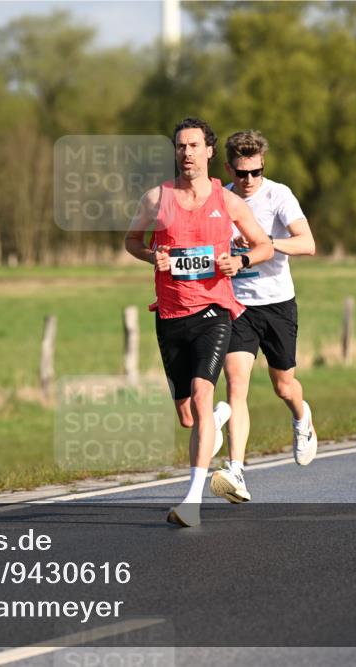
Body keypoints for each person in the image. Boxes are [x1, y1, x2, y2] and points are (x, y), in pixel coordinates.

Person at [125, 118, 273, 527]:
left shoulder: (228, 203)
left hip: (214, 311)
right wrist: (149, 255)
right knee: (188, 415)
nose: (186, 153)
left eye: (193, 146)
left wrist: (238, 260)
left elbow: (263, 245)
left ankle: (191, 501)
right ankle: (217, 421)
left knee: (202, 395)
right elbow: (132, 240)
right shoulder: (156, 199)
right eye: (180, 147)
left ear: (209, 152)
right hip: (171, 314)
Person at [209, 130, 317, 505]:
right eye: (242, 173)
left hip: (277, 304)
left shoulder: (278, 195)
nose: (250, 180)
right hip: (237, 305)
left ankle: (302, 418)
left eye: (256, 171)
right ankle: (235, 470)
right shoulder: (220, 200)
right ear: (229, 169)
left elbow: (308, 243)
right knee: (236, 385)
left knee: (284, 385)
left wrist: (264, 246)